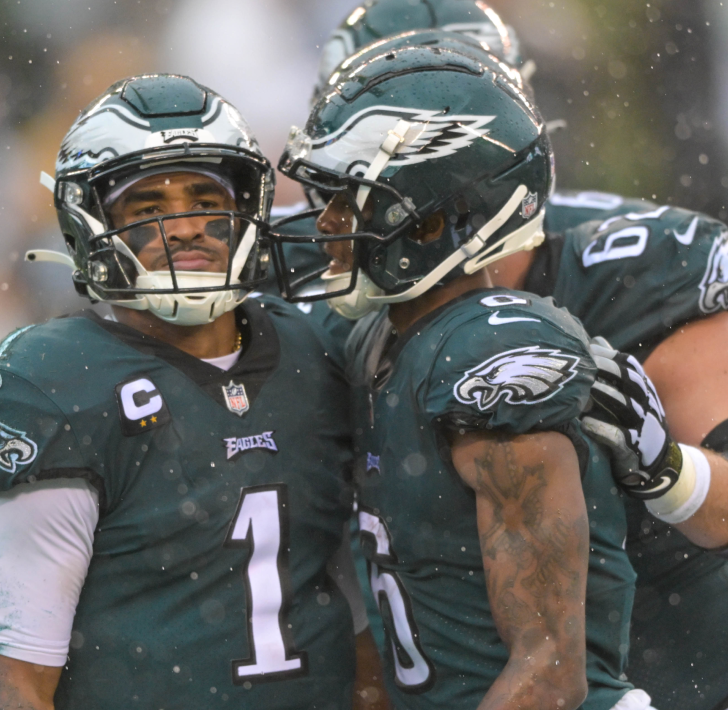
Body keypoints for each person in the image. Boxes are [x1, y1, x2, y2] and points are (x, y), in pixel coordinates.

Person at [273, 0, 728, 709]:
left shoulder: (636, 267)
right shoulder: (323, 276)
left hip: (694, 683)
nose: (326, 217)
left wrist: (670, 474)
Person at [0, 74, 374, 710]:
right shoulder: (56, 387)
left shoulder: (318, 351)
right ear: (89, 226)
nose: (185, 228)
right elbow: (11, 678)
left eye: (206, 198)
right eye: (149, 208)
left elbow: (366, 616)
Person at [274, 41, 646, 710]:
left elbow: (551, 674)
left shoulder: (489, 357)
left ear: (432, 218)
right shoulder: (378, 340)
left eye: (348, 200)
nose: (323, 223)